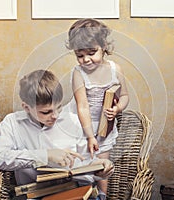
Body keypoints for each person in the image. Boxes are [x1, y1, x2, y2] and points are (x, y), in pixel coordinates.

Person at [0, 69, 114, 198]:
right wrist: (45, 155)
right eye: (46, 112)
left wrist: (99, 168)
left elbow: (86, 162)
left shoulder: (73, 121)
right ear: (26, 107)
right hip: (34, 194)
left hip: (74, 193)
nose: (55, 116)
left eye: (58, 107)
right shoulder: (12, 123)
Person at [65, 18, 129, 197]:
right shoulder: (78, 73)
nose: (86, 59)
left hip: (104, 124)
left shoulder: (116, 69)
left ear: (103, 47)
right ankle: (80, 194)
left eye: (92, 53)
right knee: (81, 163)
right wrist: (89, 136)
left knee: (103, 162)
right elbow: (83, 106)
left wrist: (117, 110)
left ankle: (102, 194)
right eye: (79, 55)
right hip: (81, 124)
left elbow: (124, 96)